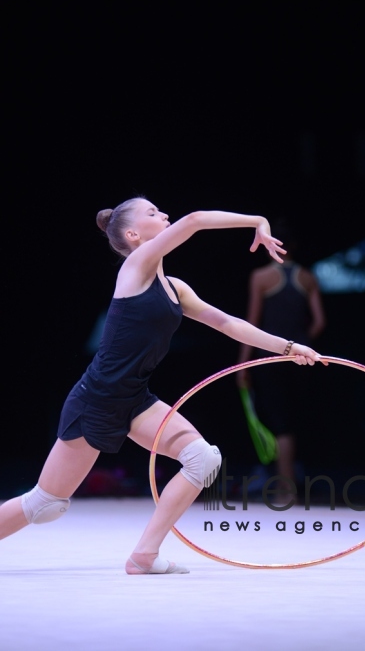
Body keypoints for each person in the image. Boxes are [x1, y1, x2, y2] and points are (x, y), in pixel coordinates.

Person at [0, 198, 323, 574]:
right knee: (46, 505)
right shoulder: (134, 268)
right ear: (133, 235)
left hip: (136, 400)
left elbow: (230, 324)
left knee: (203, 458)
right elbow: (196, 220)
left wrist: (289, 347)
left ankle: (144, 555)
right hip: (98, 399)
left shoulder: (175, 289)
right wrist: (258, 219)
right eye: (152, 213)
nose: (164, 214)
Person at [237, 218, 326, 503]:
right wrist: (305, 343)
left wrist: (243, 363)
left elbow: (251, 323)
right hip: (303, 357)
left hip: (271, 357)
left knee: (281, 421)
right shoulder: (307, 277)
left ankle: (286, 489)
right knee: (293, 418)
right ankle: (288, 484)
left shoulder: (261, 277)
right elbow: (320, 321)